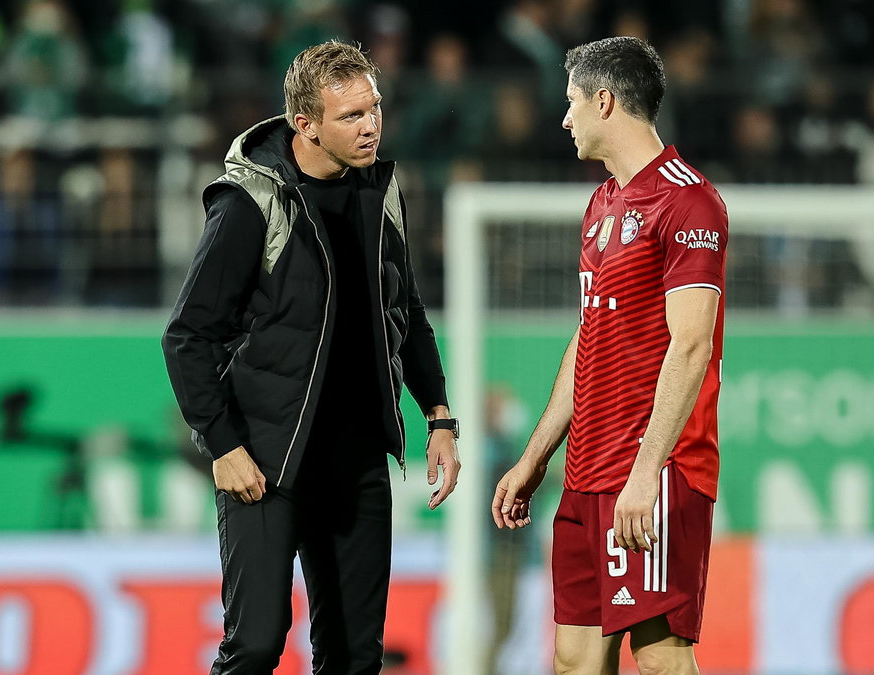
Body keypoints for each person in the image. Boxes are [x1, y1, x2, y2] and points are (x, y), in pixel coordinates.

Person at [162, 40, 461, 675]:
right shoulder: (249, 204)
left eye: (373, 108)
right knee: (257, 645)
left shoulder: (381, 190)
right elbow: (187, 335)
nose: (371, 124)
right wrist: (223, 445)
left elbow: (404, 311)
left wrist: (437, 414)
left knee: (355, 657)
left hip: (355, 464)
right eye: (351, 116)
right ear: (306, 125)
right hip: (268, 458)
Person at [492, 37, 728, 674]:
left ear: (604, 101)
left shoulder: (689, 202)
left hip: (651, 471)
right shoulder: (600, 206)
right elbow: (586, 339)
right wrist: (535, 456)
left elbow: (692, 346)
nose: (564, 118)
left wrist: (646, 474)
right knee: (573, 663)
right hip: (585, 471)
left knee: (660, 660)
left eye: (571, 102)